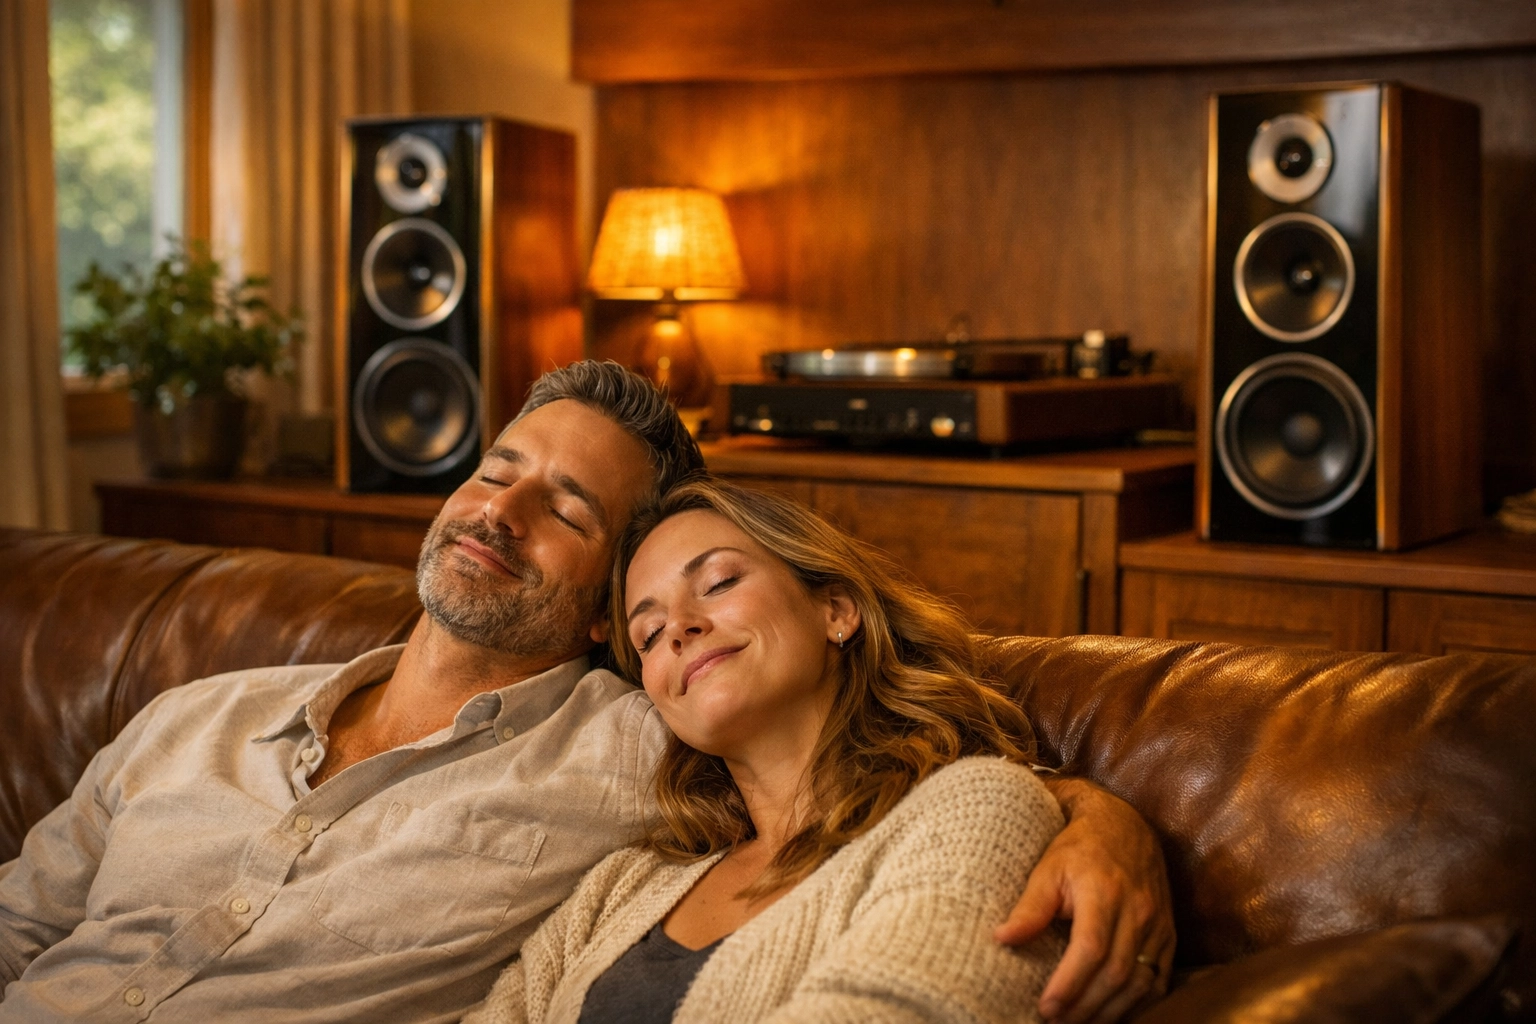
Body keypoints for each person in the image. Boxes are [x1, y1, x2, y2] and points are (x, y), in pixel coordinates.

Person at [0, 363, 1170, 1023]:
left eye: (565, 510)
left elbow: (922, 783)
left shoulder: (630, 743)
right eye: (495, 471)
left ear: (602, 621)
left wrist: (1098, 815)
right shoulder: (196, 712)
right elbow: (21, 925)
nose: (499, 513)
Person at [466, 478, 1068, 1024]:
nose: (677, 627)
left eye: (719, 583)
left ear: (835, 609)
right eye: (647, 634)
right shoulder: (625, 882)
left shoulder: (978, 811)